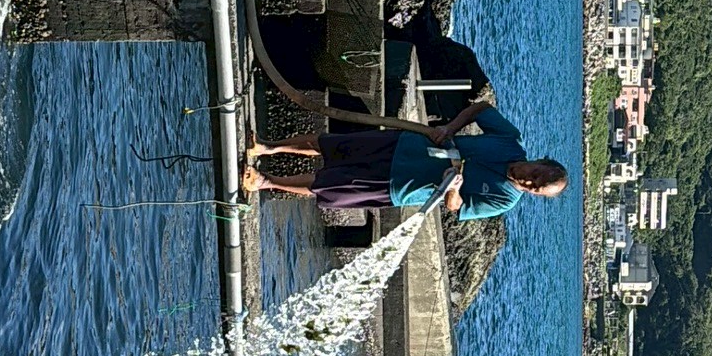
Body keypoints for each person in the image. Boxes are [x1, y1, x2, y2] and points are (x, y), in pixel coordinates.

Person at [243, 97, 567, 221]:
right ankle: (267, 148)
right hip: (404, 145)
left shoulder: (504, 200)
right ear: (540, 161)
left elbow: (456, 208)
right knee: (330, 144)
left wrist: (455, 188)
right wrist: (449, 128)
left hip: (402, 186)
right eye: (536, 175)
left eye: (535, 188)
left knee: (328, 185)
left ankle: (265, 182)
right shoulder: (510, 142)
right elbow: (482, 108)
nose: (528, 181)